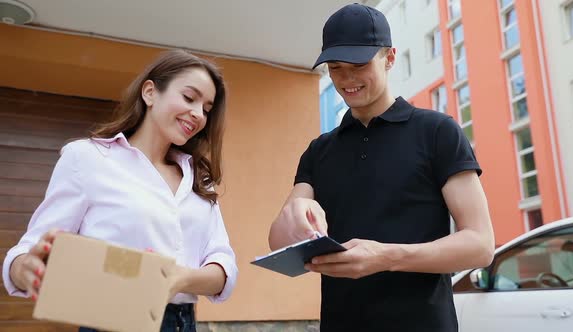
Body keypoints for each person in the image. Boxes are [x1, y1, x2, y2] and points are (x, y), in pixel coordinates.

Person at [268, 4, 494, 331]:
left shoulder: (437, 132)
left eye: (359, 65)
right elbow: (279, 246)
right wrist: (298, 210)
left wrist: (386, 257)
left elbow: (481, 244)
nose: (346, 79)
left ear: (389, 58)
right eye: (335, 67)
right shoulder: (320, 151)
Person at [2, 49, 237, 332]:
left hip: (183, 324)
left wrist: (179, 278)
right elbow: (27, 252)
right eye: (189, 98)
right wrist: (25, 268)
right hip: (112, 322)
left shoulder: (200, 179)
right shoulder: (87, 158)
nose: (199, 114)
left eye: (207, 109)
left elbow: (223, 265)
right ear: (150, 93)